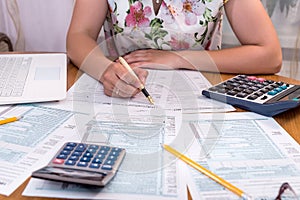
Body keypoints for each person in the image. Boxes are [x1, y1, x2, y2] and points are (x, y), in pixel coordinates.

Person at [66, 0, 282, 98]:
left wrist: (177, 58)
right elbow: (78, 35)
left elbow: (269, 54)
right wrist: (105, 72)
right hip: (120, 94)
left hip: (197, 99)